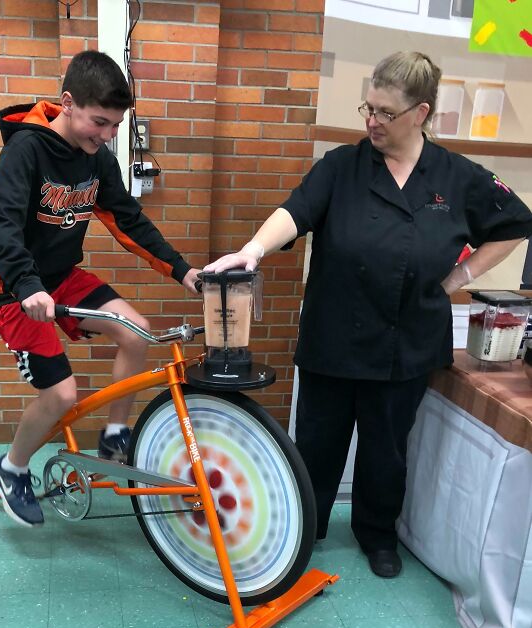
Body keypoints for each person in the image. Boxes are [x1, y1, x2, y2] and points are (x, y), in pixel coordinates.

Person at [204, 51, 532, 578]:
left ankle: (377, 534)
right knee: (316, 443)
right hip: (334, 333)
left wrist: (458, 280)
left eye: (386, 112)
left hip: (406, 341)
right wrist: (254, 249)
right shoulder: (342, 166)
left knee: (386, 449)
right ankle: (301, 526)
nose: (373, 121)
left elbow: (515, 224)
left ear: (421, 112)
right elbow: (295, 211)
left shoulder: (456, 176)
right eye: (368, 108)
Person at [0, 50, 200, 527]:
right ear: (67, 104)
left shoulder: (96, 160)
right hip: (15, 290)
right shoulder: (26, 150)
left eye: (115, 126)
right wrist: (26, 285)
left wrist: (182, 271)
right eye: (99, 122)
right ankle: (12, 468)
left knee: (138, 333)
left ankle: (116, 432)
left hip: (62, 280)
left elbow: (128, 223)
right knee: (60, 395)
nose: (106, 136)